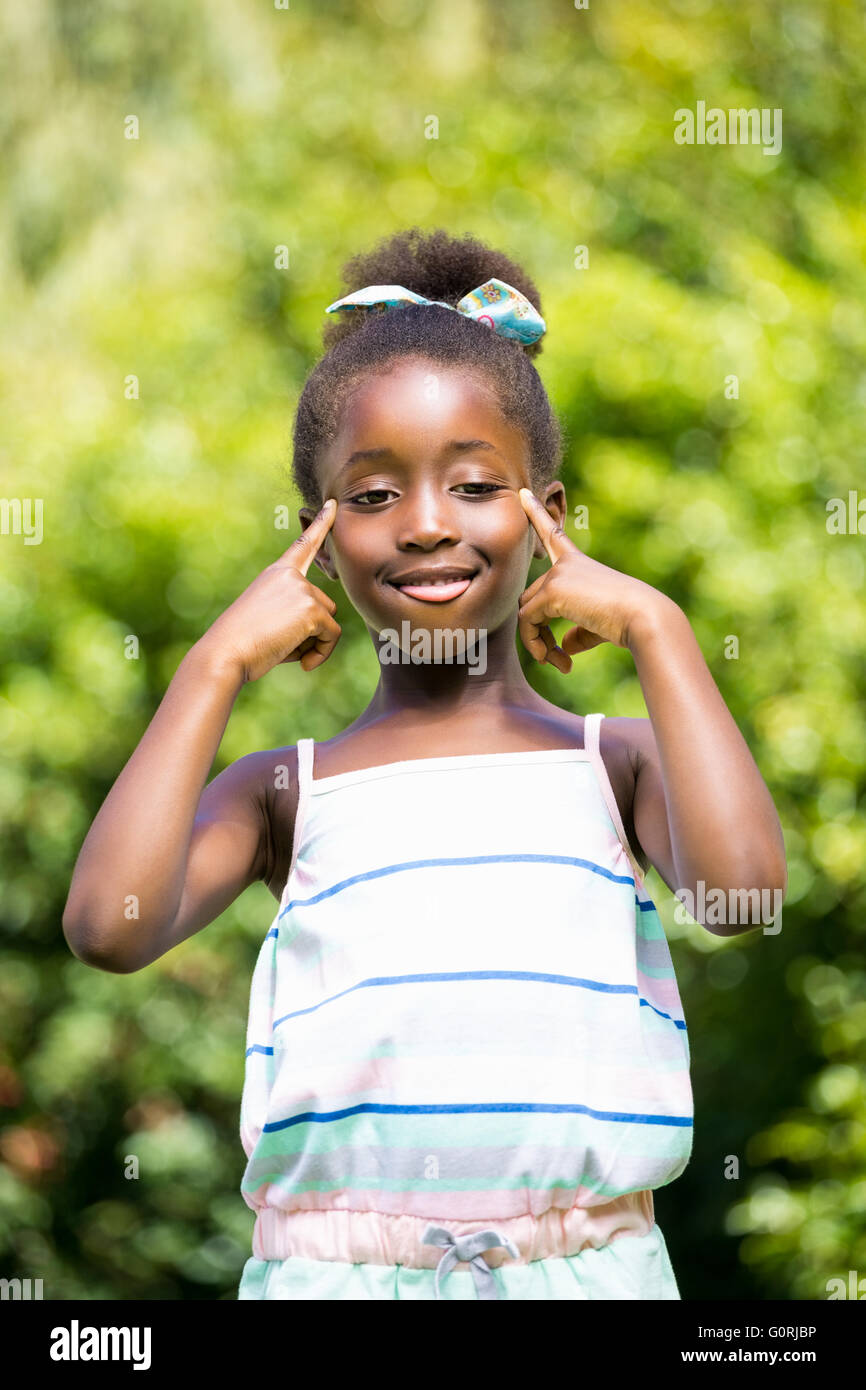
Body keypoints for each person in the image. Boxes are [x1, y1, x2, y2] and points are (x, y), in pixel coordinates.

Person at [63, 227, 787, 1300]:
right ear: (313, 533)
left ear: (548, 514)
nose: (426, 524)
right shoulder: (283, 792)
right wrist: (213, 663)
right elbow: (107, 927)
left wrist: (656, 626)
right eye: (370, 494)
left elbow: (743, 896)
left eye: (475, 484)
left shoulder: (613, 762)